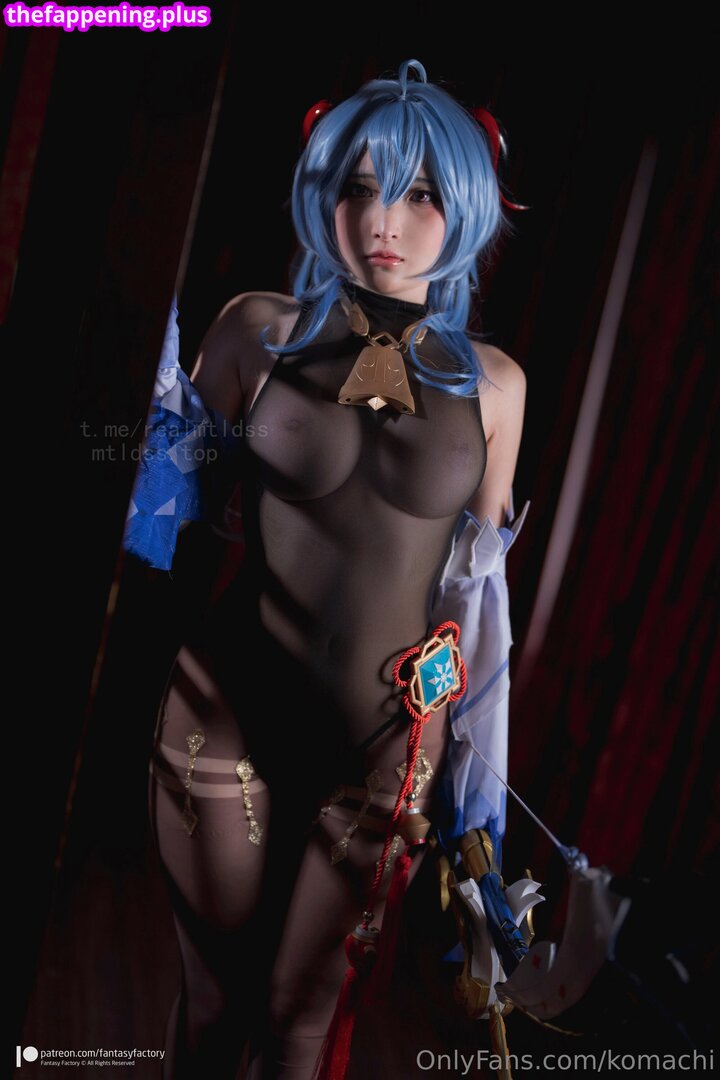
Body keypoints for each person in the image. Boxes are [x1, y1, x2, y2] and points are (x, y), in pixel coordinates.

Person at [124, 59, 529, 1080]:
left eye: (421, 194)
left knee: (301, 1021)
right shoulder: (252, 332)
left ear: (469, 205)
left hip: (391, 750)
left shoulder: (495, 388)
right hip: (225, 709)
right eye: (358, 186)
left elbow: (478, 597)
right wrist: (145, 401)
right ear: (321, 189)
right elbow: (162, 509)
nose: (383, 219)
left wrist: (478, 783)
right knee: (215, 1001)